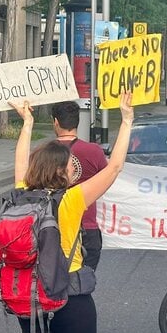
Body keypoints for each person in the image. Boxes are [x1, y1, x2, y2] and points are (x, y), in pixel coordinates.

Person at [9, 91, 133, 333]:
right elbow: (115, 167)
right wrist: (126, 120)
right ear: (62, 170)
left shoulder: (21, 195)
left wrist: (27, 123)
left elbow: (20, 163)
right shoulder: (73, 199)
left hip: (30, 300)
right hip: (71, 300)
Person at [50, 101, 109, 271]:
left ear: (55, 122)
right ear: (77, 122)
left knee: (52, 284)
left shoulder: (43, 152)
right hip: (87, 228)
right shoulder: (94, 151)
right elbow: (107, 178)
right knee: (83, 283)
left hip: (53, 227)